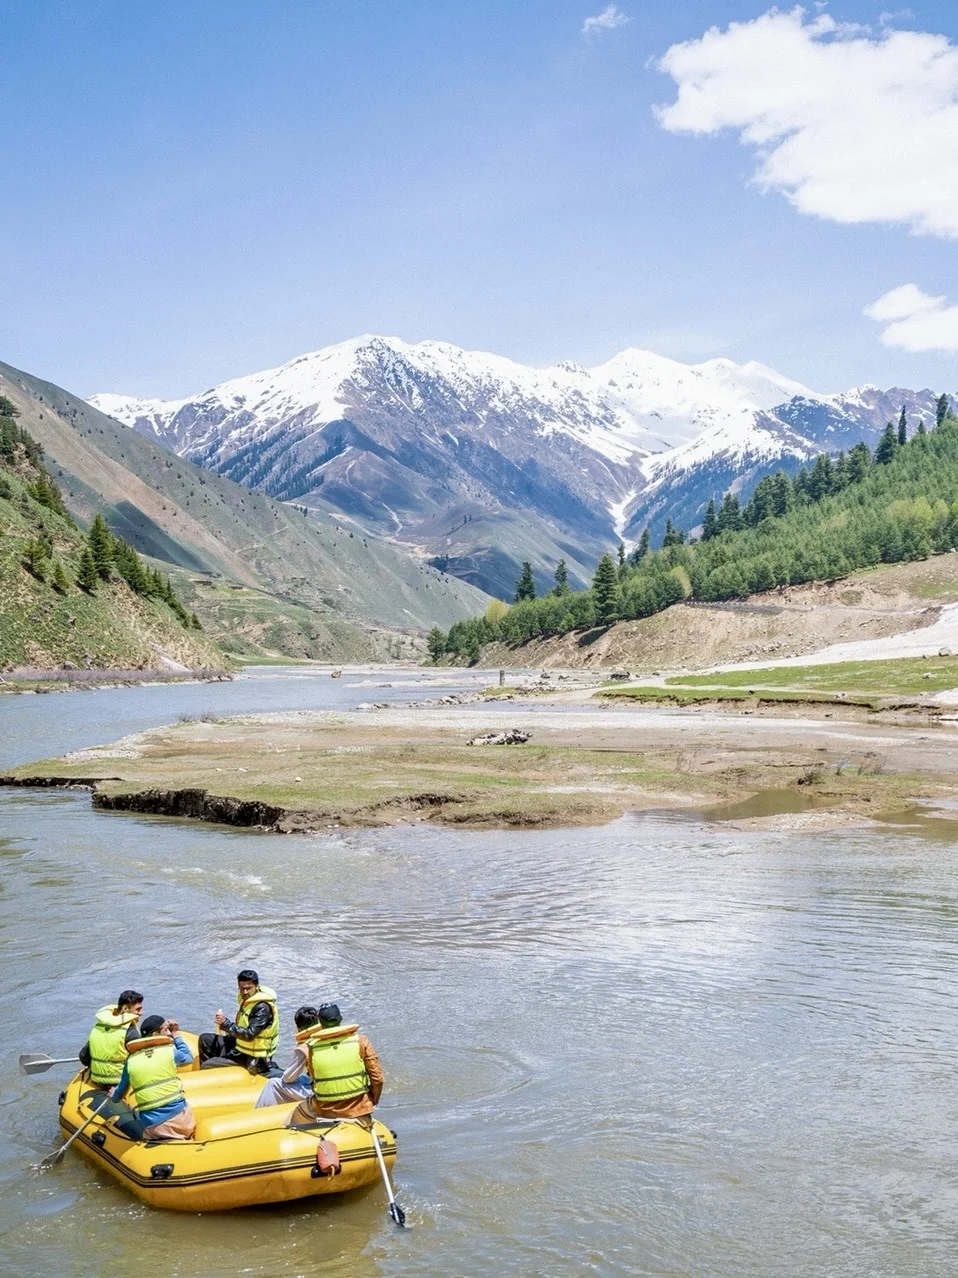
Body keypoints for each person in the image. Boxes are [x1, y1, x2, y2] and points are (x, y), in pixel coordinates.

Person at [287, 1003, 383, 1127]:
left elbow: (313, 1077)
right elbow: (378, 1079)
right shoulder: (361, 1041)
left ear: (320, 1023)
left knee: (294, 1116)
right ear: (341, 1019)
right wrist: (371, 1101)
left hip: (325, 1110)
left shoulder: (310, 1047)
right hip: (360, 1108)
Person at [112, 1015, 196, 1141]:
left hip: (156, 1126)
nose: (168, 1033)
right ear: (155, 1034)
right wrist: (175, 1034)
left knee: (131, 1119)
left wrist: (113, 1095)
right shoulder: (169, 1051)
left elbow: (118, 1097)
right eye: (166, 1030)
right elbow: (188, 1057)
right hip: (184, 1120)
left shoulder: (130, 1061)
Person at [199, 969, 279, 1075]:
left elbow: (250, 1035)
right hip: (241, 1047)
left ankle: (213, 1077)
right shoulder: (247, 1000)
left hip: (254, 1058)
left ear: (257, 986)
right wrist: (228, 1028)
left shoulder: (262, 1008)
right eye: (242, 989)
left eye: (248, 989)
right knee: (205, 1039)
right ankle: (219, 1072)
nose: (245, 992)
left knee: (207, 1065)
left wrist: (225, 1024)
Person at [254, 1006, 321, 1109]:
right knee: (303, 1078)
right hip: (333, 1086)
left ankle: (258, 1114)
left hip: (317, 1091)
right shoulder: (326, 1039)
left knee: (272, 1083)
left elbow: (288, 1079)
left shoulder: (304, 1047)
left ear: (298, 1028)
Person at [79, 989, 143, 1089]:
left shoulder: (98, 1027)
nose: (141, 1013)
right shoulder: (131, 1032)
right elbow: (140, 1064)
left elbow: (84, 1057)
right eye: (138, 1009)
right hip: (120, 1083)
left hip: (96, 1081)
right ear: (125, 1008)